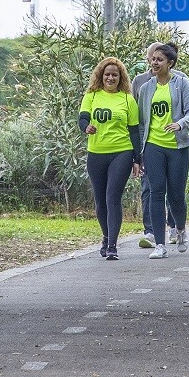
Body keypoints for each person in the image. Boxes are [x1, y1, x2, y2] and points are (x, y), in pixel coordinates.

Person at [137, 43, 189, 259]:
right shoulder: (146, 89)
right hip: (153, 145)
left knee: (176, 195)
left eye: (160, 59)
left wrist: (180, 124)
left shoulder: (181, 83)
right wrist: (140, 151)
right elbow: (142, 122)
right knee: (156, 192)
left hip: (177, 146)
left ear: (170, 63)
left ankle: (180, 230)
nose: (155, 63)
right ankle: (160, 244)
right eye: (153, 59)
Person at [78, 57, 142, 261]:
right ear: (101, 76)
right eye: (107, 74)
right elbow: (83, 118)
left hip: (121, 152)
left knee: (112, 197)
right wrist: (86, 127)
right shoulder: (91, 96)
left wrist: (137, 159)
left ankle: (113, 245)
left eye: (115, 74)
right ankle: (105, 236)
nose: (111, 77)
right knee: (100, 202)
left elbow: (134, 131)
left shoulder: (127, 99)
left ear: (121, 77)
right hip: (96, 152)